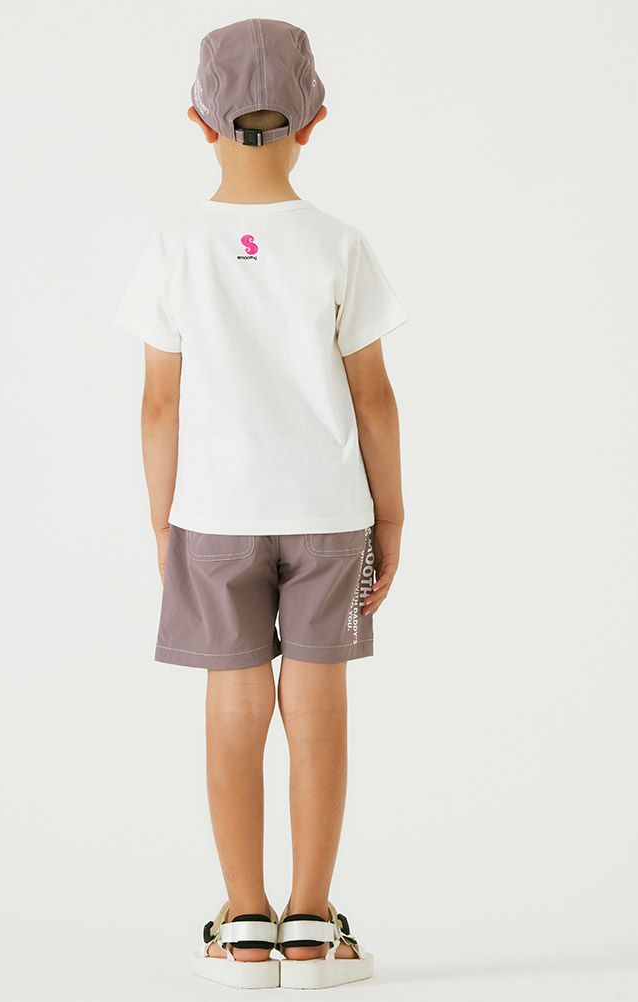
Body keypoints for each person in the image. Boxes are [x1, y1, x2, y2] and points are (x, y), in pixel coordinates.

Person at [114, 18, 407, 990]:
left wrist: (163, 521)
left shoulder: (174, 247)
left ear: (198, 120)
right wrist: (392, 516)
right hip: (330, 513)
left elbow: (160, 405)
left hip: (213, 512)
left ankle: (244, 925)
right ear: (315, 120)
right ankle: (313, 925)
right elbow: (374, 397)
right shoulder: (339, 245)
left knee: (234, 700)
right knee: (317, 700)